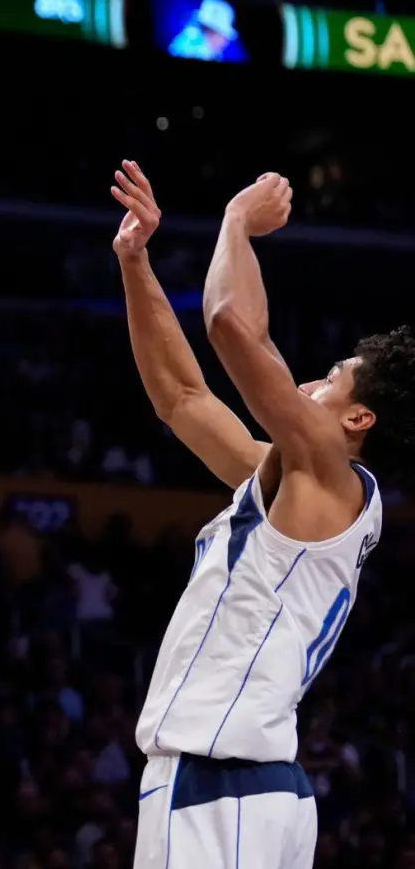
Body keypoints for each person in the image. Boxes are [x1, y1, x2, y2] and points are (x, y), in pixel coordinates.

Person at [111, 162, 415, 867]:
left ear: (360, 417)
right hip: (234, 787)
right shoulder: (300, 482)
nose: (308, 381)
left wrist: (236, 222)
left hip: (225, 784)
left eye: (331, 380)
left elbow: (230, 325)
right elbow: (182, 398)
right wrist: (135, 262)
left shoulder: (326, 472)